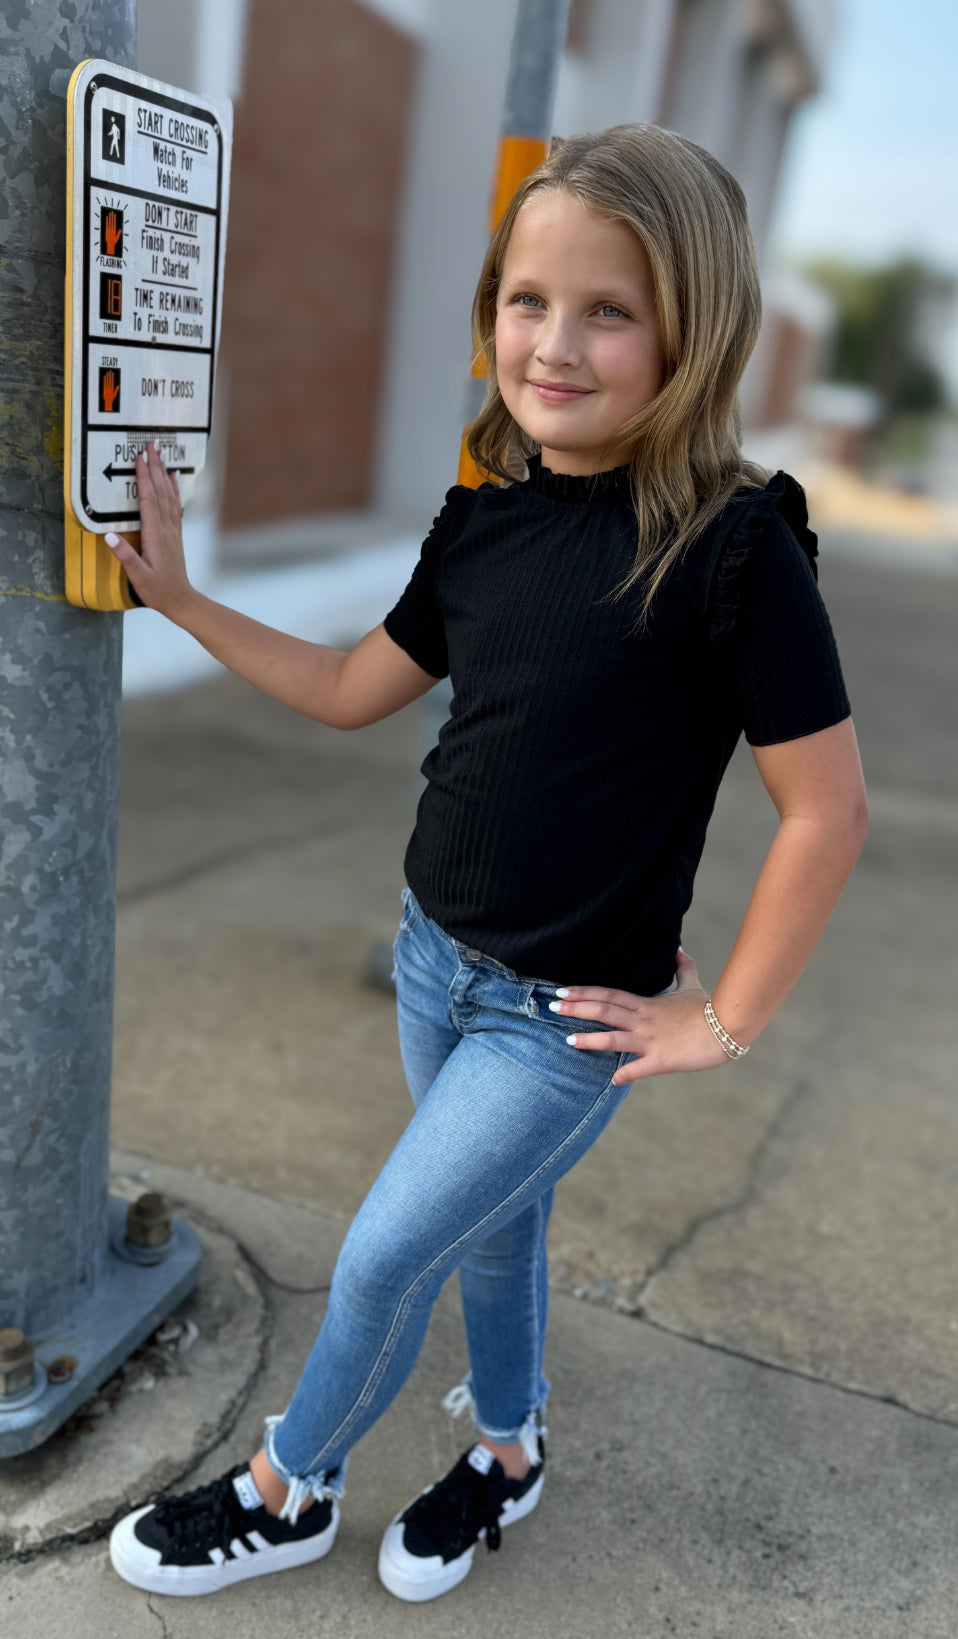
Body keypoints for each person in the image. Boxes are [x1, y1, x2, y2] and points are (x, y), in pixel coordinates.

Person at [106, 124, 867, 1603]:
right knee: (495, 1238)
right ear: (489, 309)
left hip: (562, 1022)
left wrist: (715, 1026)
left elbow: (824, 812)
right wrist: (189, 604)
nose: (554, 342)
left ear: (689, 330)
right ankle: (508, 1452)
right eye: (527, 299)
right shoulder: (480, 521)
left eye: (609, 310)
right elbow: (347, 691)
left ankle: (285, 1491)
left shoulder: (732, 549)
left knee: (389, 1255)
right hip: (432, 964)